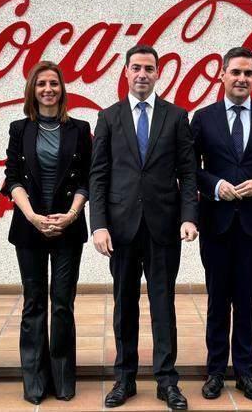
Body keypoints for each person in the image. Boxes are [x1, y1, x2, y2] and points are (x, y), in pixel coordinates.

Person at [89, 44, 199, 410]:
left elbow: (188, 172)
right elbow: (99, 176)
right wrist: (99, 225)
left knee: (163, 306)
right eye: (135, 67)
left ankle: (167, 381)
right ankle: (125, 379)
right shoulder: (108, 117)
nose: (142, 74)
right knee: (124, 306)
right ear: (125, 71)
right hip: (119, 230)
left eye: (148, 68)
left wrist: (188, 216)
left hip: (164, 227)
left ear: (158, 74)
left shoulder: (177, 116)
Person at [190, 47, 252, 402]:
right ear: (222, 75)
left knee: (246, 299)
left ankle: (246, 371)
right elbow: (189, 168)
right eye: (236, 72)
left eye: (248, 73)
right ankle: (216, 370)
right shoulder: (203, 118)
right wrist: (215, 186)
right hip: (215, 222)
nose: (242, 79)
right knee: (218, 299)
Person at [2, 61, 92, 403]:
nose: (48, 89)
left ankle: (62, 377)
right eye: (41, 84)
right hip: (30, 227)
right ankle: (35, 381)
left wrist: (70, 216)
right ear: (32, 90)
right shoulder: (19, 128)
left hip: (68, 228)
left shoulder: (80, 129)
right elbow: (11, 178)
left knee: (63, 305)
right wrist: (32, 216)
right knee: (34, 303)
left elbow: (86, 178)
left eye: (54, 83)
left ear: (62, 89)